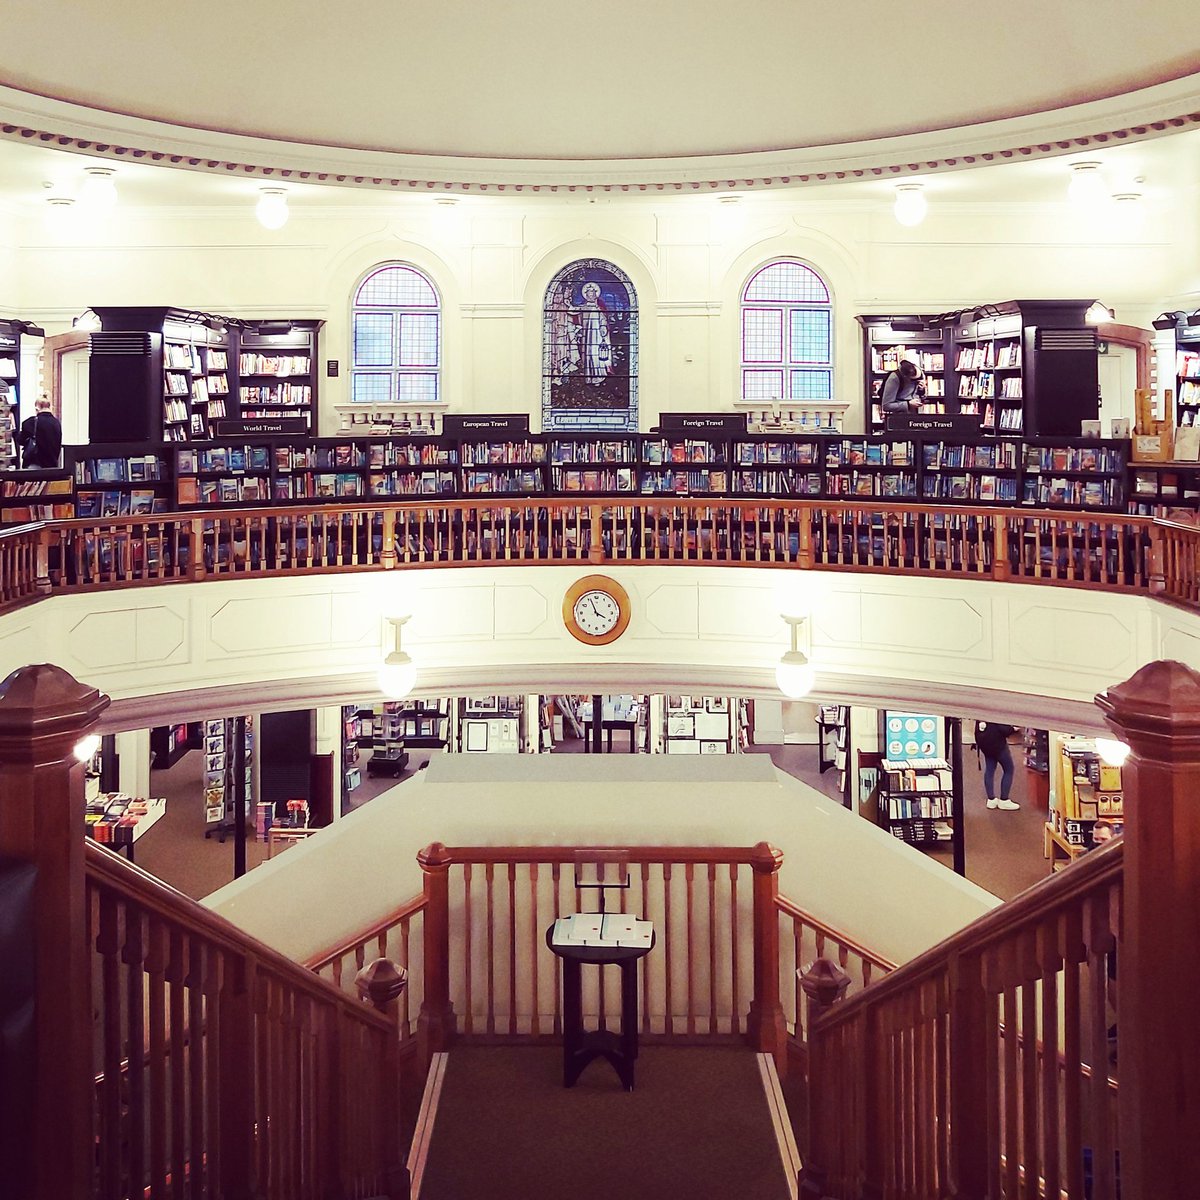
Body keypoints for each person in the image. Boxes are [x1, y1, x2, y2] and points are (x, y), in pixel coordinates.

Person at [974, 720, 1018, 810]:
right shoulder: (995, 711)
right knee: (1009, 769)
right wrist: (1013, 729)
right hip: (998, 744)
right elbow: (1004, 729)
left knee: (989, 770)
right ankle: (1004, 800)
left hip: (985, 744)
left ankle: (991, 800)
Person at [16, 395, 63, 469]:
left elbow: (20, 440)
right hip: (52, 466)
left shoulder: (30, 422)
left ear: (37, 408)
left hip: (34, 465)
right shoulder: (57, 423)